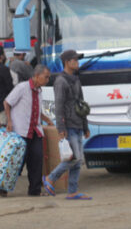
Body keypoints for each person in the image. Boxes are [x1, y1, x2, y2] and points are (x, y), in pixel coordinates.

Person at [43, 50, 92, 200]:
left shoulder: (76, 79)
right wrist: (61, 128)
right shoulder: (60, 81)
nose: (77, 62)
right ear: (67, 62)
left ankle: (72, 191)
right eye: (75, 60)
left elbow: (81, 104)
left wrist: (85, 126)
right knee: (74, 158)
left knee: (78, 161)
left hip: (78, 124)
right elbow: (58, 106)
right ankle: (50, 178)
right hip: (68, 125)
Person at [3, 64, 55, 197]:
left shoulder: (39, 90)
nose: (47, 80)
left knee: (37, 160)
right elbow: (7, 103)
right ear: (37, 76)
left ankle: (34, 190)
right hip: (21, 130)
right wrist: (9, 121)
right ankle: (4, 186)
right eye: (46, 77)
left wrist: (46, 118)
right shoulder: (22, 87)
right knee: (17, 162)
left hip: (35, 130)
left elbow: (35, 108)